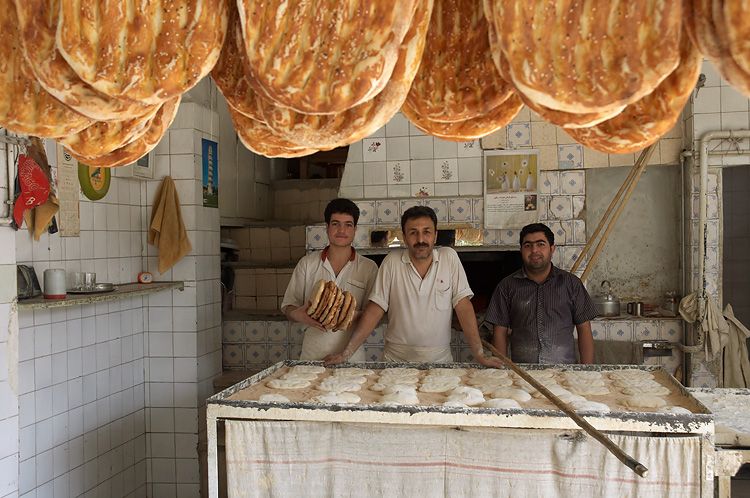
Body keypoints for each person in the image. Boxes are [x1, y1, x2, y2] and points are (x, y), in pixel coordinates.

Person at [325, 206, 502, 368]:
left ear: (435, 235)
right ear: (404, 236)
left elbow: (463, 307)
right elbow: (375, 310)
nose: (420, 239)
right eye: (413, 233)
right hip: (396, 362)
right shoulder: (392, 262)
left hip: (440, 362)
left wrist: (479, 354)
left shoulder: (449, 259)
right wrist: (347, 353)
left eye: (426, 232)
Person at [485, 223, 598, 364]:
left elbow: (584, 329)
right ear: (521, 250)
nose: (534, 250)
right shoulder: (506, 287)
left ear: (552, 249)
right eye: (528, 245)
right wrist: (501, 370)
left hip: (564, 373)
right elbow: (499, 332)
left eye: (541, 244)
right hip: (523, 374)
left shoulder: (571, 284)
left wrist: (587, 371)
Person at [281, 198, 378, 362]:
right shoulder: (307, 264)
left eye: (348, 224)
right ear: (326, 228)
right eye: (335, 224)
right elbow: (288, 307)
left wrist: (348, 316)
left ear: (355, 229)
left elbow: (373, 313)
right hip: (312, 355)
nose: (342, 230)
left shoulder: (369, 268)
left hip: (352, 358)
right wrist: (300, 315)